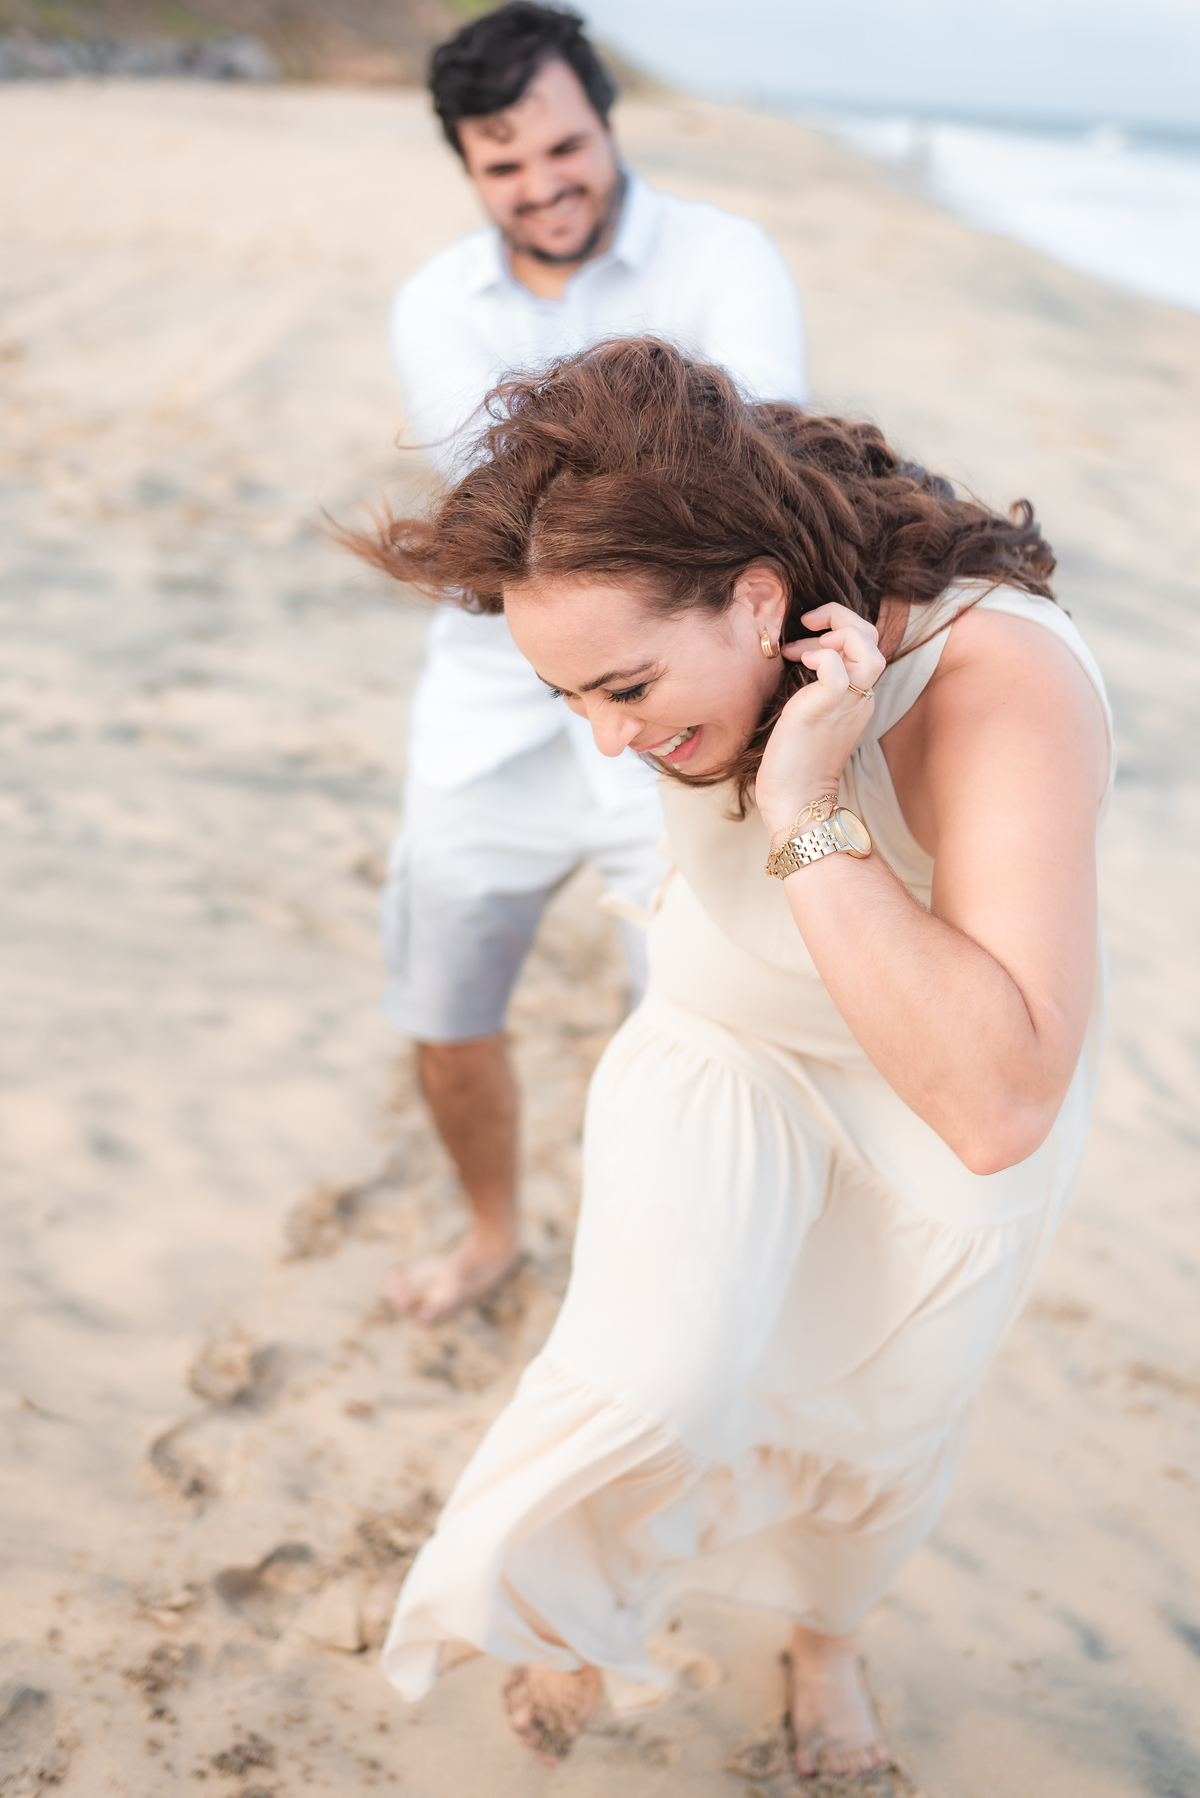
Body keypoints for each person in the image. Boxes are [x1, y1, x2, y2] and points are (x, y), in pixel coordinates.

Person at [346, 338, 1113, 1780]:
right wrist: (679, 717)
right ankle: (577, 1604)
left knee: (880, 1420)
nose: (613, 742)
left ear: (761, 601)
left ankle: (826, 1640)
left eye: (625, 686)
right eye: (570, 699)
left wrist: (810, 794)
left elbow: (1002, 1101)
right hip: (727, 1043)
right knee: (658, 1373)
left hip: (937, 1103)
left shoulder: (996, 680)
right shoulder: (717, 587)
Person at [383, 2, 807, 1323]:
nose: (542, 183)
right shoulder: (435, 304)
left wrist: (593, 484)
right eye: (503, 165)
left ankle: (650, 1288)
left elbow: (753, 469)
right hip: (486, 720)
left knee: (692, 1037)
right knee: (444, 1006)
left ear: (603, 122)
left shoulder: (727, 254)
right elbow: (498, 528)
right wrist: (656, 460)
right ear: (469, 169)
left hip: (684, 720)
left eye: (561, 146)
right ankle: (493, 1231)